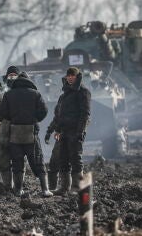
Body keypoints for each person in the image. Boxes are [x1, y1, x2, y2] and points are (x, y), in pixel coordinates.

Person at [0, 72, 53, 197]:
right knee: (38, 161)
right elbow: (44, 111)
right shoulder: (35, 94)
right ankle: (45, 189)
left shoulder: (8, 94)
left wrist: (13, 118)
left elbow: (3, 112)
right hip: (31, 133)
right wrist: (34, 119)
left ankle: (18, 190)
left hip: (15, 134)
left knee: (17, 163)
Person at [52, 67, 91, 196]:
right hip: (63, 131)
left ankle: (77, 187)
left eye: (72, 75)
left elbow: (85, 114)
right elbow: (60, 114)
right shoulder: (64, 94)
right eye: (68, 75)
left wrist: (80, 131)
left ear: (77, 76)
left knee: (75, 158)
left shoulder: (83, 92)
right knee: (63, 158)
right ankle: (64, 187)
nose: (70, 77)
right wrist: (57, 129)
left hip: (75, 131)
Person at [0, 66, 20, 192]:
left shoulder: (24, 90)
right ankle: (7, 186)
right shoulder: (2, 91)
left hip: (19, 131)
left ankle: (17, 187)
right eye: (10, 75)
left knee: (18, 161)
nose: (12, 77)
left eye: (14, 75)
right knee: (3, 160)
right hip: (5, 131)